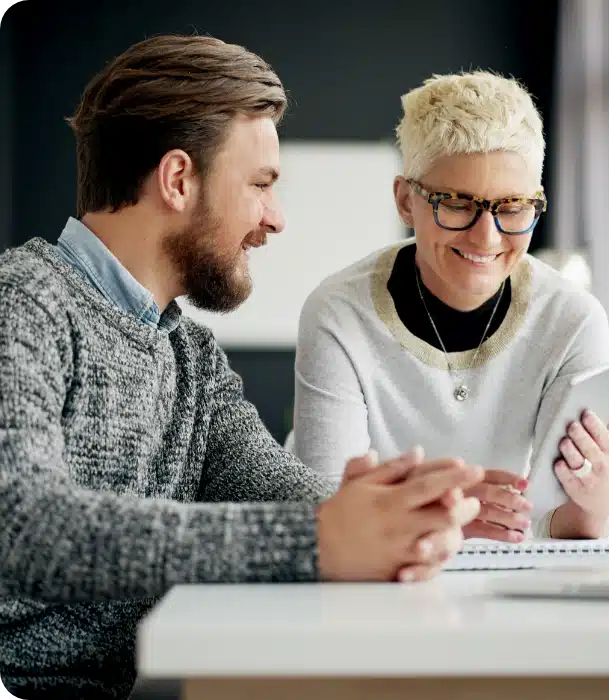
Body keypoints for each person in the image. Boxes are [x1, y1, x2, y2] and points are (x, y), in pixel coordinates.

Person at [0, 37, 485, 700]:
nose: (275, 219)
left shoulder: (190, 358)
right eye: (260, 185)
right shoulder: (20, 302)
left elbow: (279, 489)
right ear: (177, 180)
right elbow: (28, 529)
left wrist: (396, 517)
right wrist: (320, 538)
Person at [293, 71, 609, 544]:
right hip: (373, 574)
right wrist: (443, 517)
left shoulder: (573, 319)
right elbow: (325, 512)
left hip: (501, 566)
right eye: (456, 204)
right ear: (406, 201)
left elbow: (563, 527)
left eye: (512, 207)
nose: (486, 237)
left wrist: (598, 504)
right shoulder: (338, 313)